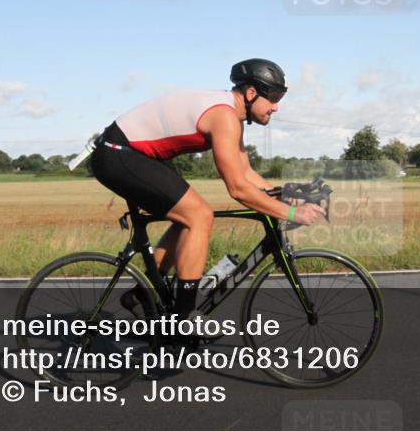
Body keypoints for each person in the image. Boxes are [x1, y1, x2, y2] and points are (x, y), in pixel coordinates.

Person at [90, 58, 326, 326]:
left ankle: (141, 295)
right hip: (118, 154)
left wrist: (282, 195)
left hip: (134, 155)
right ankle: (184, 317)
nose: (276, 106)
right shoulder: (224, 116)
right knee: (198, 214)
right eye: (273, 97)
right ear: (251, 93)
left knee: (187, 216)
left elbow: (247, 174)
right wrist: (292, 213)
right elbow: (238, 189)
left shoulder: (230, 115)